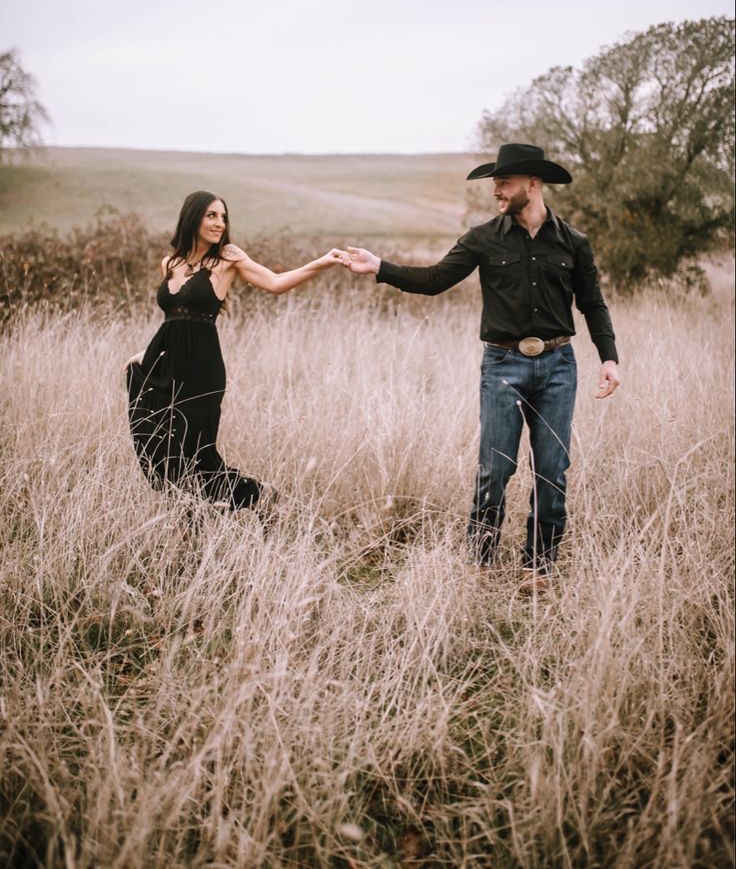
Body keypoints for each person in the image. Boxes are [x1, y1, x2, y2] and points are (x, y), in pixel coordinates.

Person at [343, 143, 620, 590]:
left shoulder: (574, 243)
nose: (497, 190)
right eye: (495, 183)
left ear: (532, 183)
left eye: (504, 182)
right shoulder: (483, 238)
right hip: (503, 365)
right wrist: (381, 267)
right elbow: (434, 281)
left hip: (558, 365)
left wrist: (609, 358)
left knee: (552, 467)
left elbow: (592, 304)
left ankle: (539, 565)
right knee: (496, 467)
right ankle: (480, 557)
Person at [125, 190, 345, 511]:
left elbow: (276, 282)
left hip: (202, 370)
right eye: (212, 215)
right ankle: (195, 516)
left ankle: (259, 497)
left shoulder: (227, 257)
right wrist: (144, 355)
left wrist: (322, 263)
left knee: (198, 452)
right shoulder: (170, 263)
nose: (219, 223)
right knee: (157, 442)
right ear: (193, 217)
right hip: (165, 364)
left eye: (223, 217)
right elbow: (173, 321)